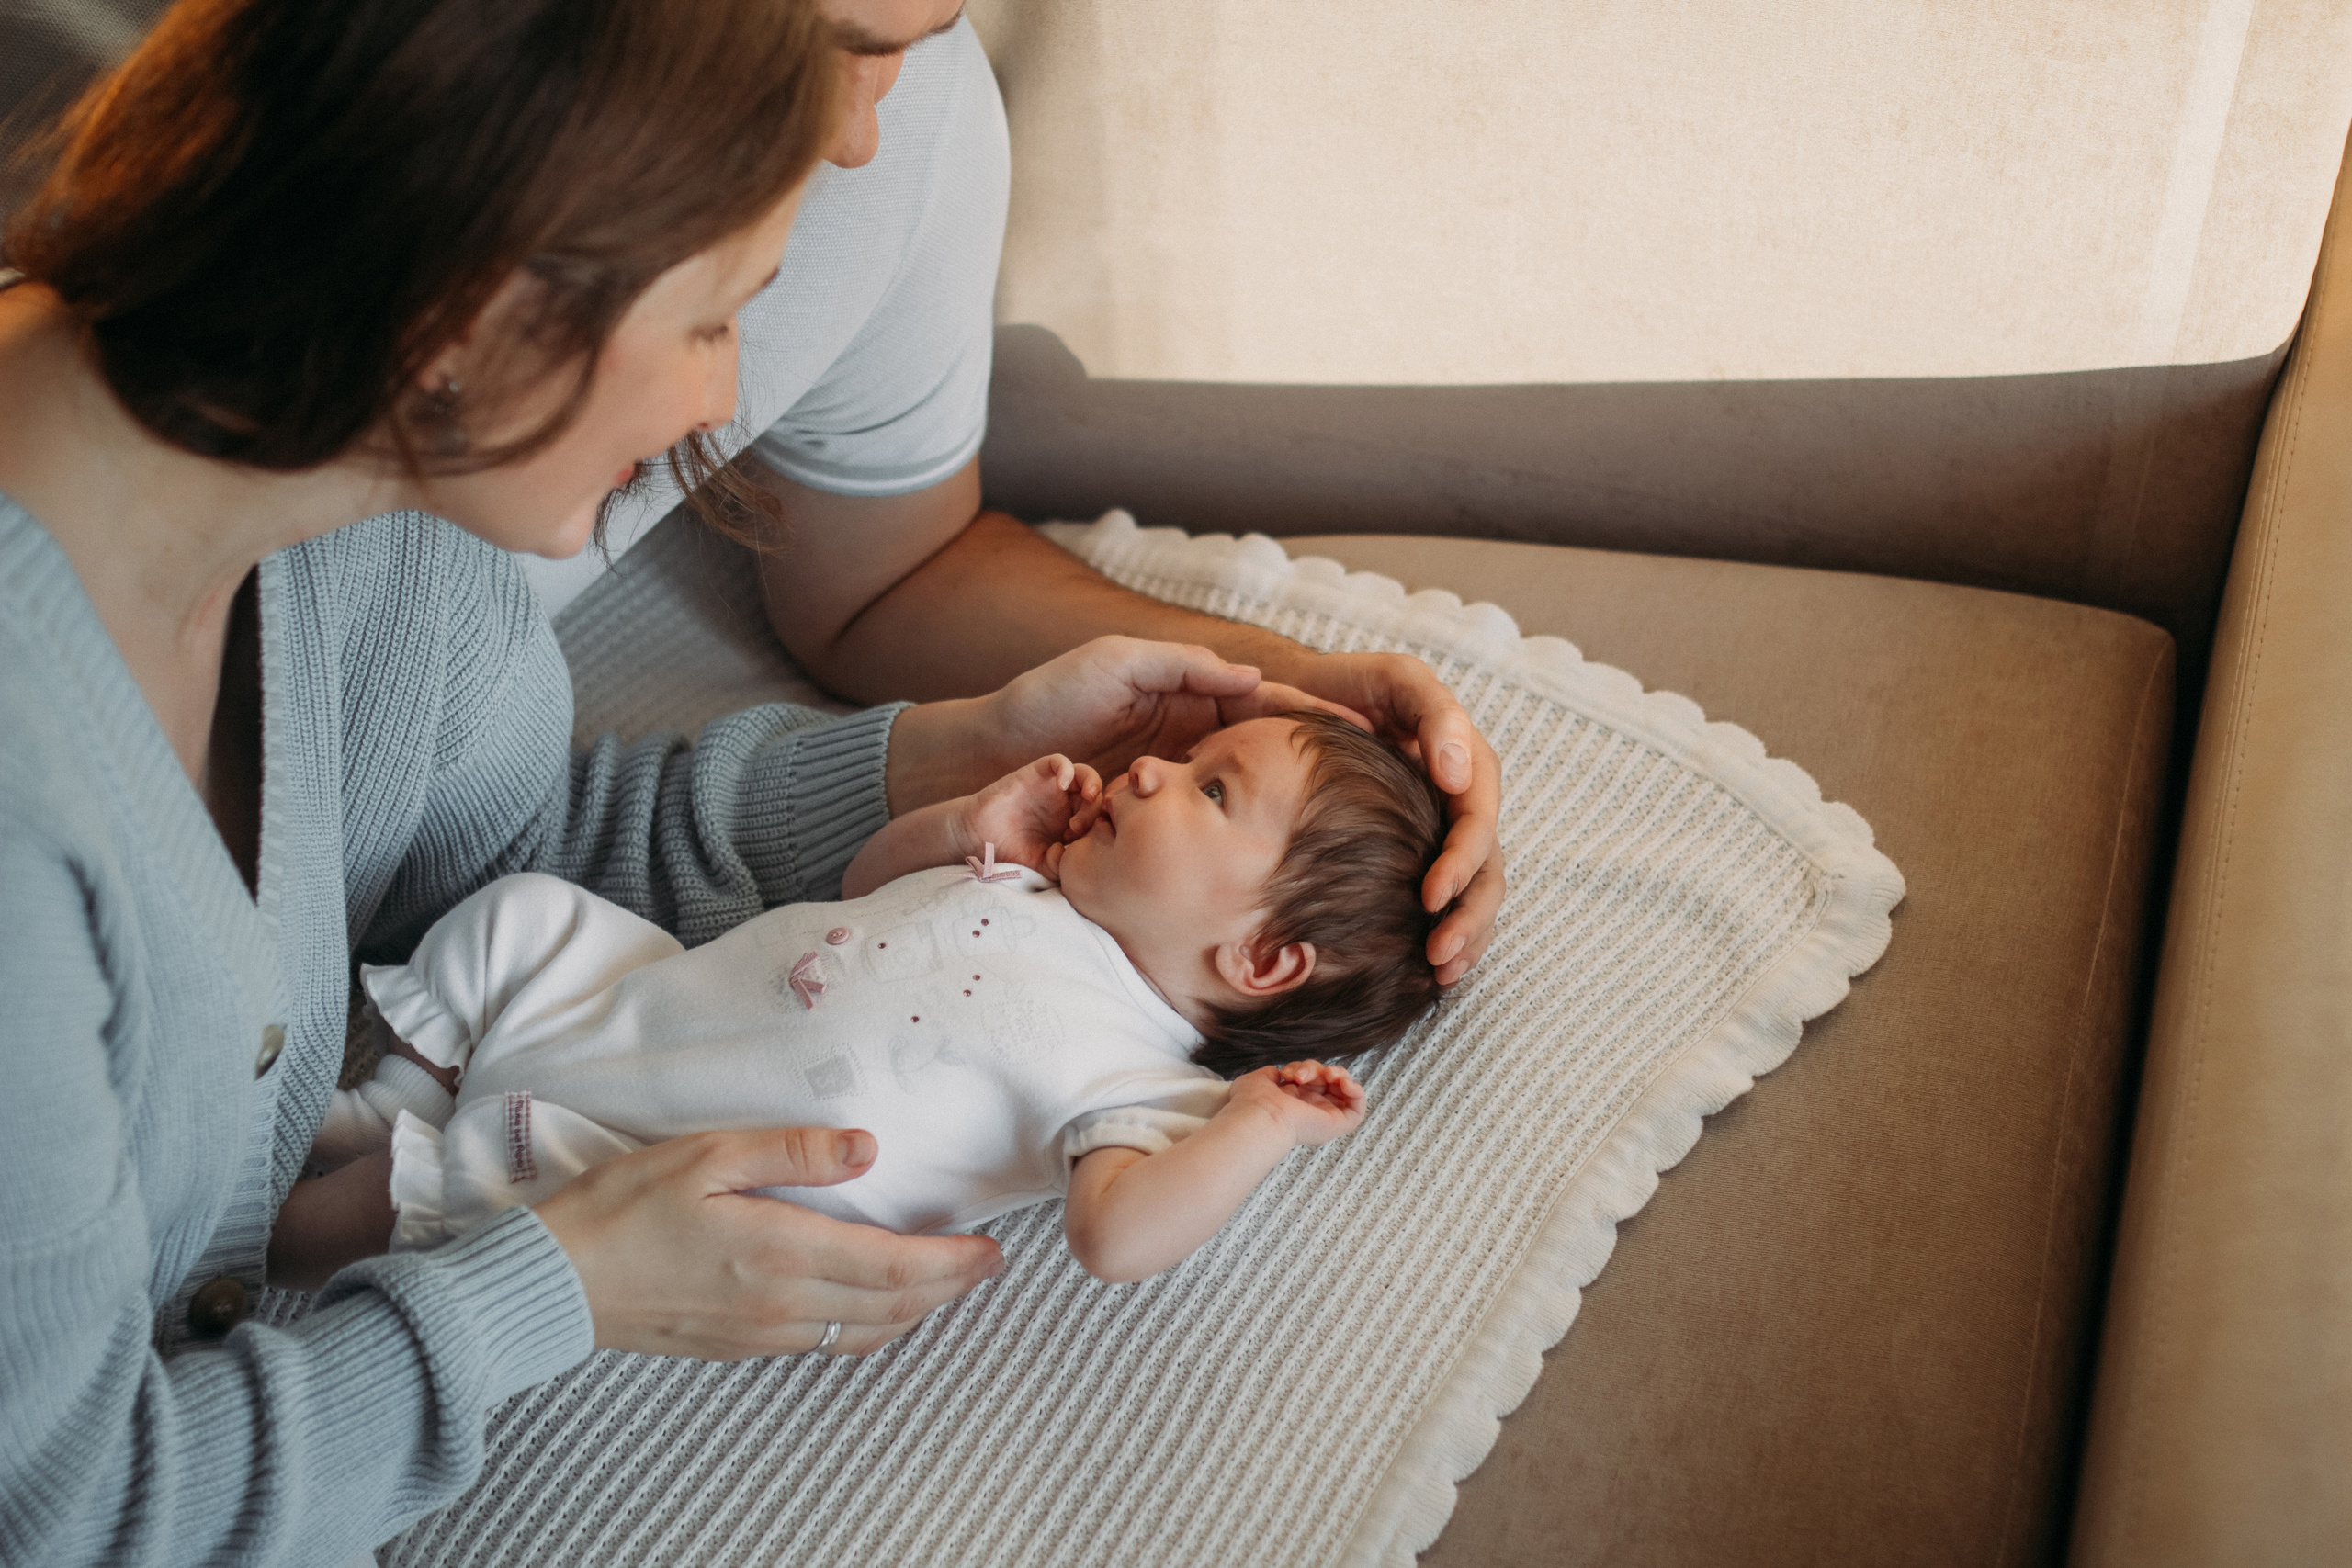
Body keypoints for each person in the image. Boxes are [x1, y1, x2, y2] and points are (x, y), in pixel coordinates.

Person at [0, 2, 1343, 1562]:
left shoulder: (367, 485)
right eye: (721, 317)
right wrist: (557, 1285)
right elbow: (71, 1512)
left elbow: (480, 850)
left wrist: (932, 769)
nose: (723, 404)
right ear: (480, 303)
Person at [535, 0, 1510, 991]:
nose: (863, 139)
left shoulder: (913, 125)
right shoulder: (411, 546)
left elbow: (893, 572)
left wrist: (1277, 703)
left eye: (921, 35)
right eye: (845, 46)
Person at [303, 712, 1441, 1284]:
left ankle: (278, 1237)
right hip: (639, 999)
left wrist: (1259, 1125)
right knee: (528, 915)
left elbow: (1116, 1237)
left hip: (641, 1149)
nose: (1148, 769)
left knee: (477, 1188)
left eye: (1210, 788)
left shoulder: (1138, 1081)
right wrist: (962, 829)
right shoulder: (1038, 882)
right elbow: (861, 892)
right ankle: (394, 1090)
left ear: (1264, 960)